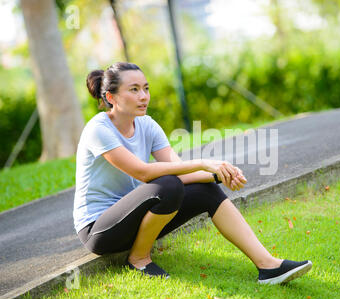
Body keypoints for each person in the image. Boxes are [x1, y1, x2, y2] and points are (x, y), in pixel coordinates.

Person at [73, 61, 312, 285]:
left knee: (204, 190)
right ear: (110, 97)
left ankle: (268, 265)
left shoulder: (146, 124)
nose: (143, 96)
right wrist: (202, 163)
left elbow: (180, 172)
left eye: (146, 88)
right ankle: (139, 259)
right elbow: (144, 172)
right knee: (168, 186)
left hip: (136, 217)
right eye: (134, 90)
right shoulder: (98, 129)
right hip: (99, 229)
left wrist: (218, 173)